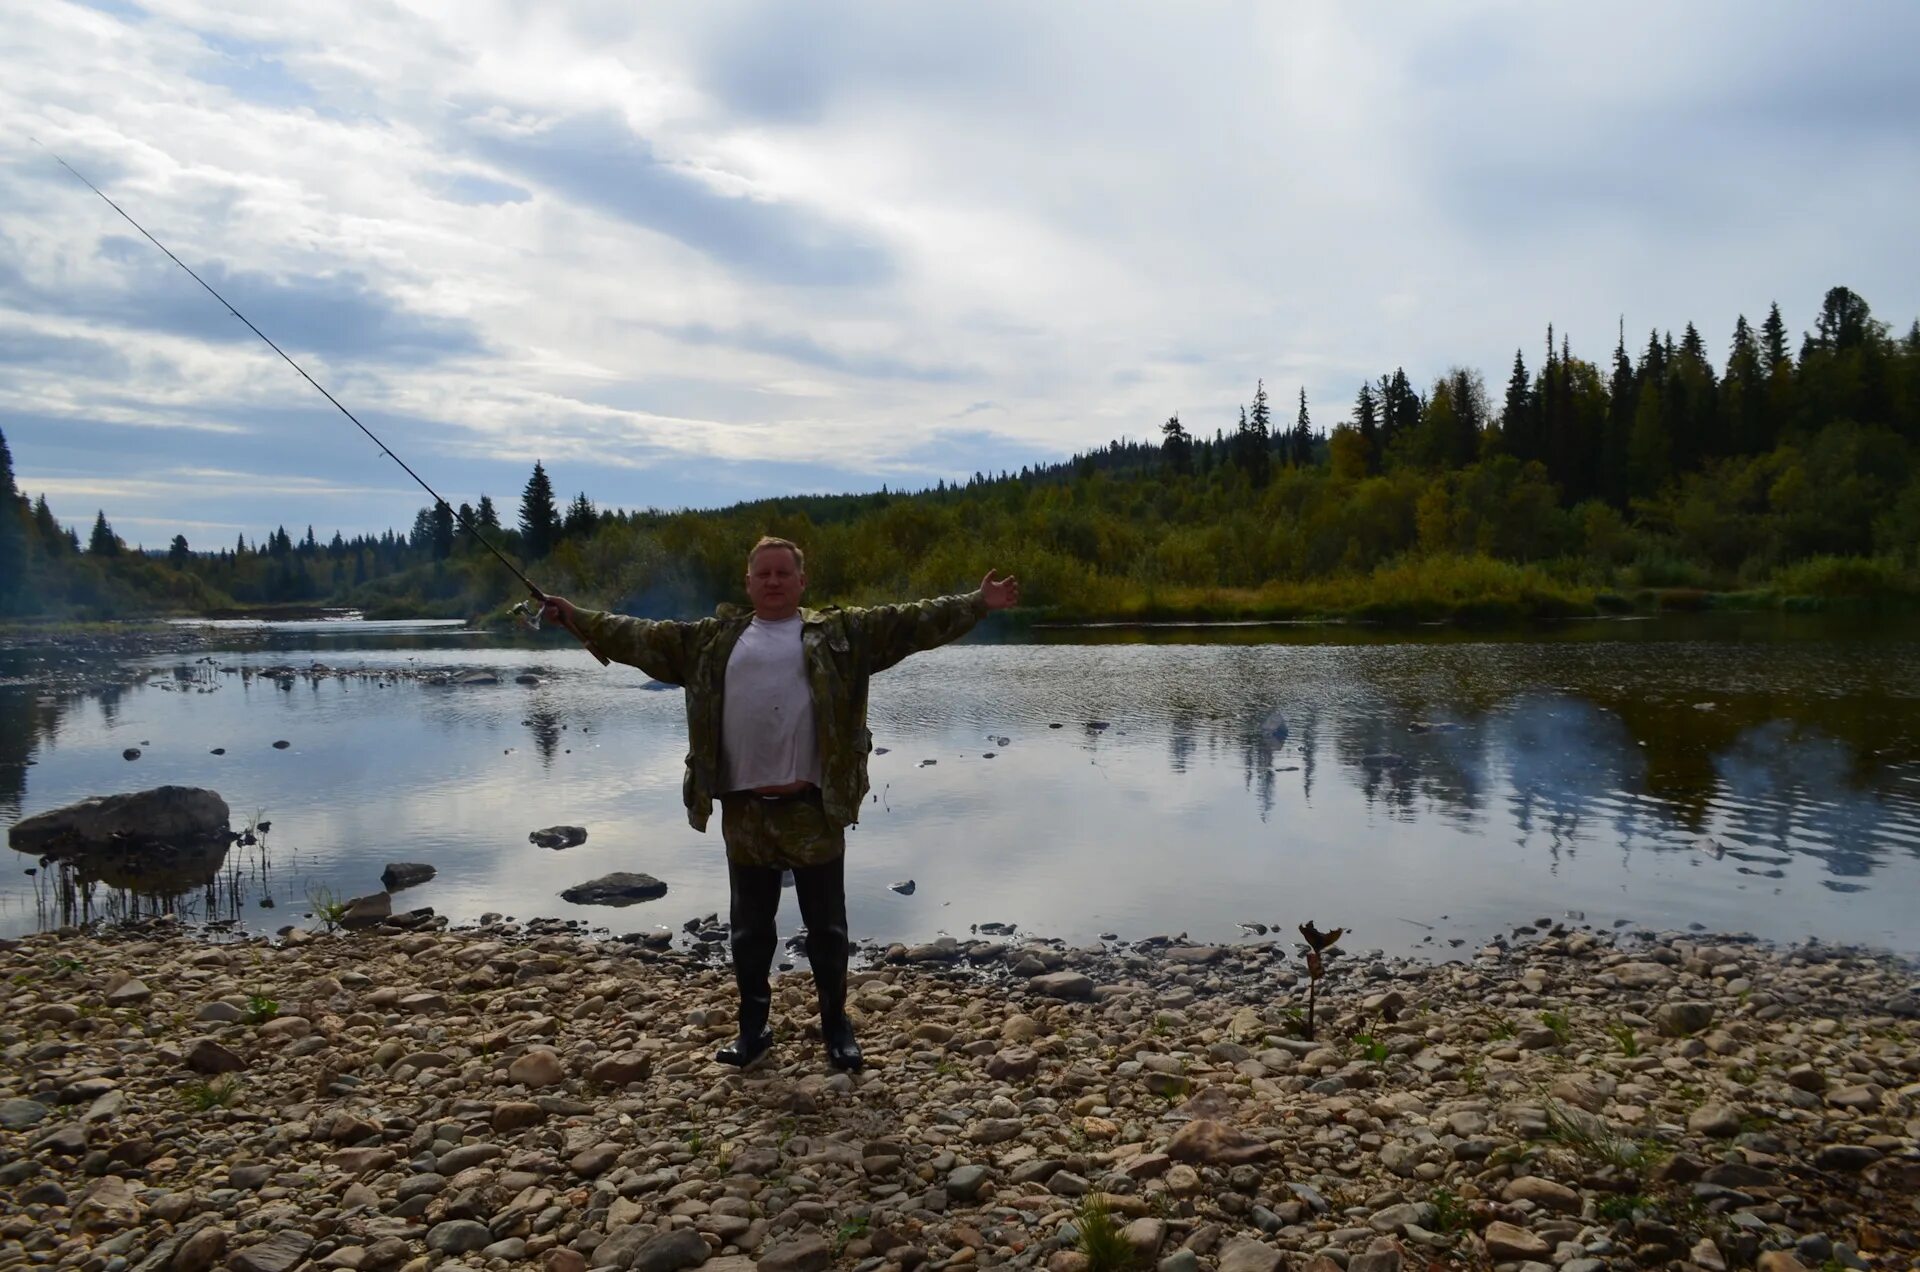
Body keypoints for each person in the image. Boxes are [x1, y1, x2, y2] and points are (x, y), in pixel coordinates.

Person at [541, 538, 1019, 1070]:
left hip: (813, 807)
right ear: (747, 584)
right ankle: (753, 1030)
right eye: (762, 574)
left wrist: (978, 603)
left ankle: (837, 1027)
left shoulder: (843, 634)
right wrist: (574, 615)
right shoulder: (708, 641)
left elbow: (912, 621)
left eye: (782, 574)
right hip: (744, 810)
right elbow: (633, 634)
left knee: (829, 928)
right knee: (748, 930)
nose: (772, 582)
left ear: (801, 581)